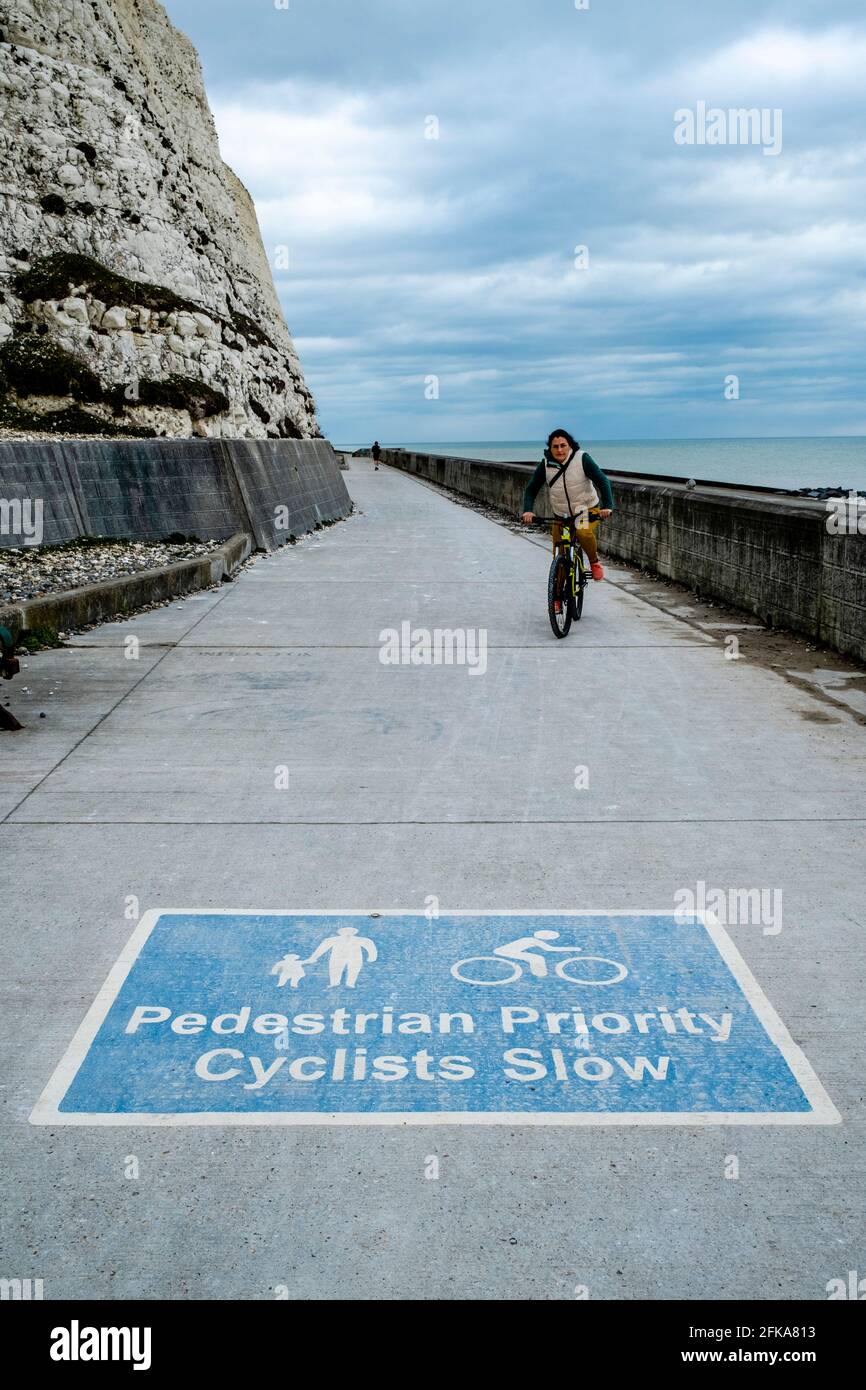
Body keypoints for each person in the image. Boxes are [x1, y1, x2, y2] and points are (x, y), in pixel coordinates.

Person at [521, 429, 614, 580]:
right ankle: (556, 600)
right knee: (559, 555)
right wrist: (528, 511)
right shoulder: (546, 464)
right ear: (550, 448)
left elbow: (602, 481)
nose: (559, 450)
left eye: (563, 445)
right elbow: (531, 489)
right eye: (555, 446)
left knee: (583, 533)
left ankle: (594, 562)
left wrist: (607, 506)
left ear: (570, 445)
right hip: (561, 513)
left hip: (584, 509)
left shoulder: (581, 458)